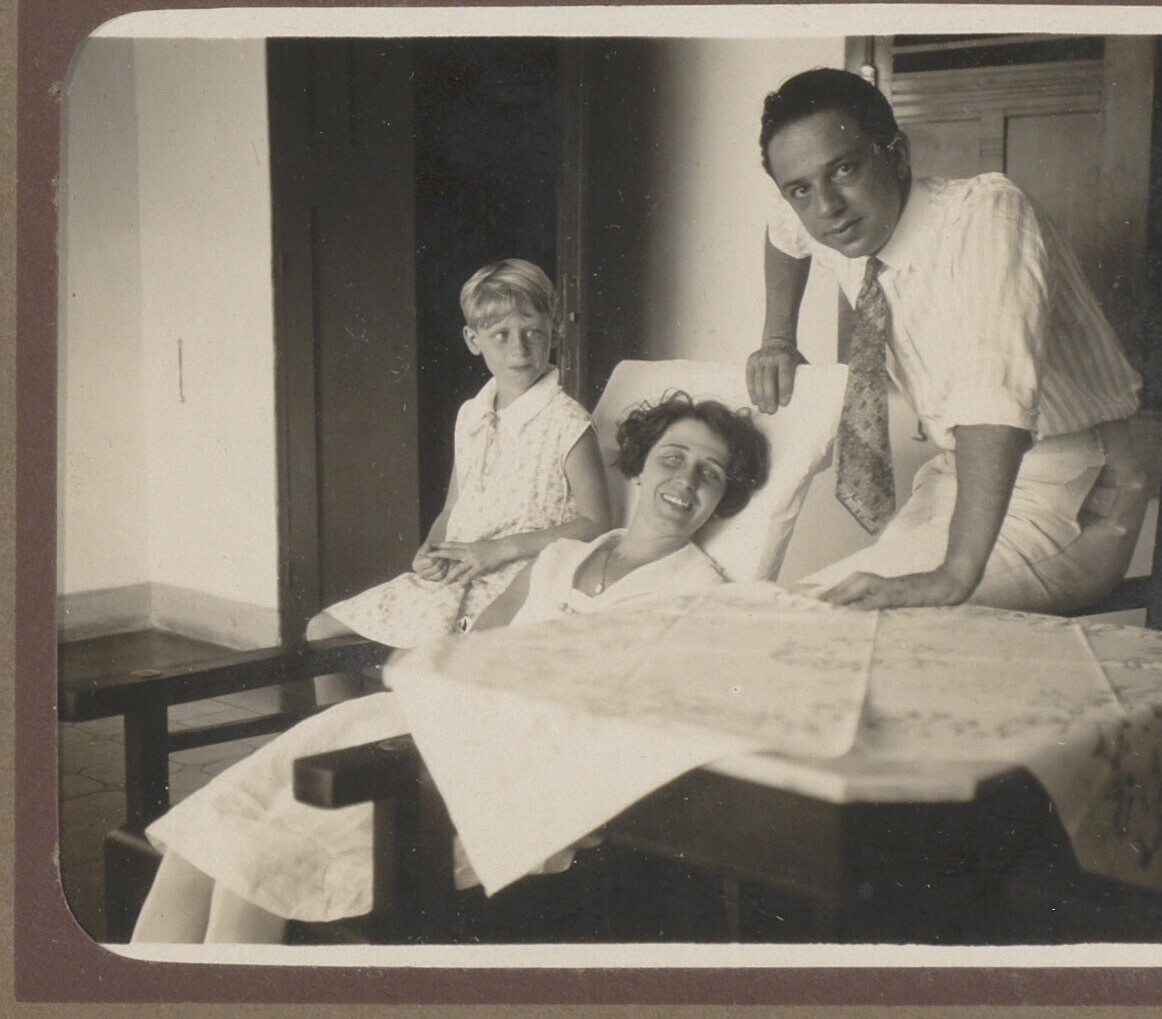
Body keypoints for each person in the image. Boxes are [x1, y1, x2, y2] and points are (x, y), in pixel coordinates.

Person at [129, 393, 769, 944]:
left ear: (724, 498)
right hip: (422, 725)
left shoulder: (701, 595)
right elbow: (468, 649)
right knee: (209, 830)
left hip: (507, 779)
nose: (686, 481)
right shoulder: (559, 558)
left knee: (254, 857)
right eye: (673, 458)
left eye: (710, 474)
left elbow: (633, 726)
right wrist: (427, 666)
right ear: (642, 463)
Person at [746, 67, 1147, 615]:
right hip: (958, 481)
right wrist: (777, 336)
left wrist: (953, 577)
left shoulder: (987, 216)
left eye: (844, 169)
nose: (827, 208)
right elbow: (783, 229)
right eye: (801, 189)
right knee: (824, 613)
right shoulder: (838, 217)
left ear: (897, 156)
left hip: (1074, 495)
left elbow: (993, 400)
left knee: (821, 615)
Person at [306, 258, 612, 649]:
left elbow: (597, 523)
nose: (519, 348)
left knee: (442, 655)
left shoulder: (567, 422)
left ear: (554, 332)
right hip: (458, 577)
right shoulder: (472, 416)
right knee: (320, 629)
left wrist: (498, 550)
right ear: (473, 340)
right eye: (500, 335)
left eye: (533, 331)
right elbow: (452, 509)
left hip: (518, 583)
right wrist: (431, 551)